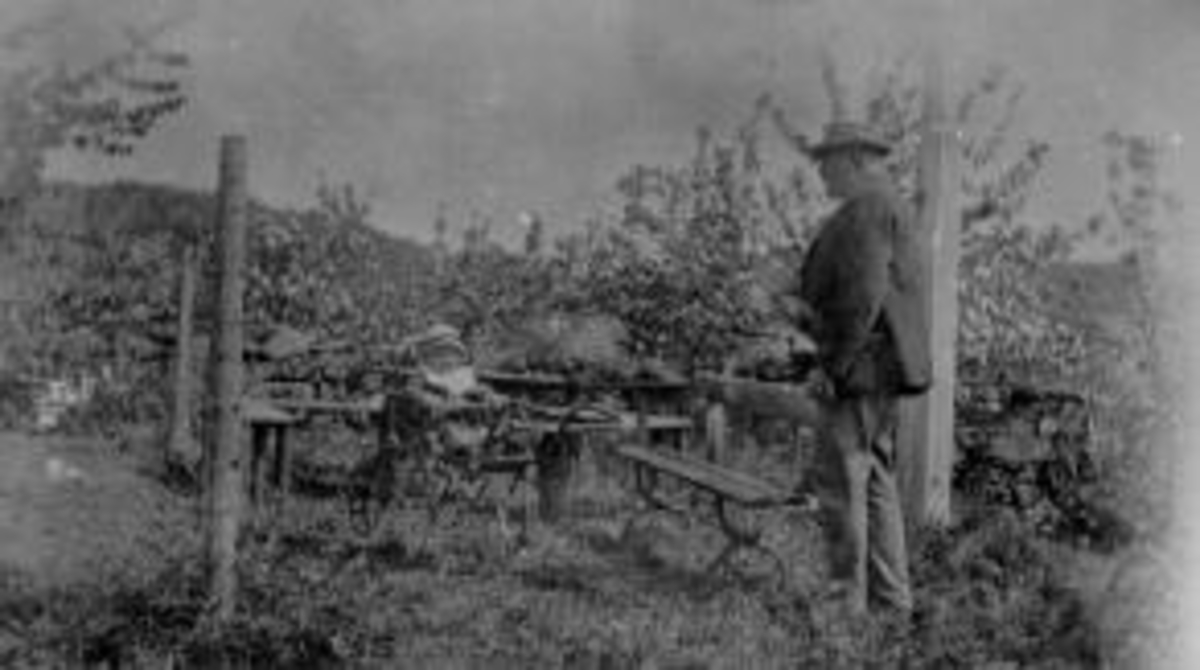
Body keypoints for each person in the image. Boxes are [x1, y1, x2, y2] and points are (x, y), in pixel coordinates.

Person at [795, 121, 932, 615]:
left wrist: (831, 367)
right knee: (875, 484)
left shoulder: (866, 211)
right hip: (879, 373)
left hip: (858, 373)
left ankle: (845, 610)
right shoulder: (890, 207)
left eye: (827, 164)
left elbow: (860, 301)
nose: (822, 176)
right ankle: (892, 606)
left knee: (840, 486)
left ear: (854, 160)